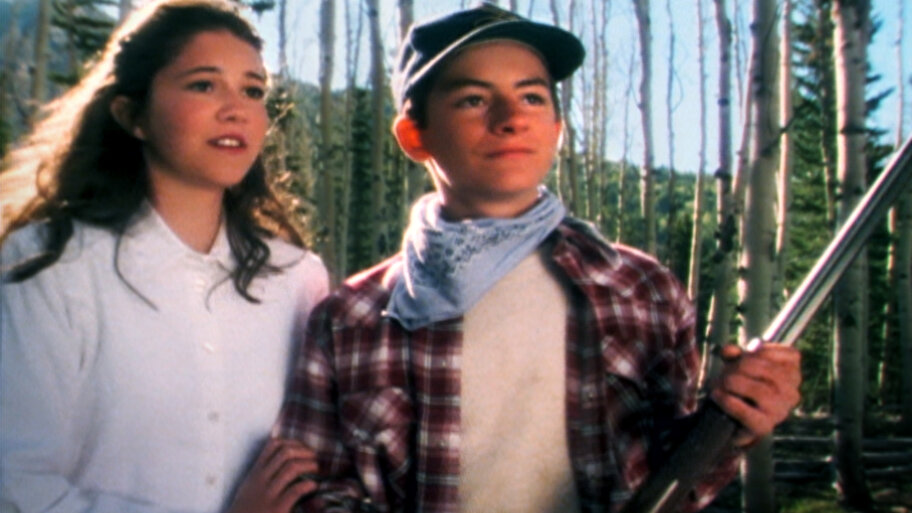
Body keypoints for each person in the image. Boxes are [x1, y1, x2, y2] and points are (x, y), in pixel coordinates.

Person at [276, 4, 802, 513]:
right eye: (473, 100)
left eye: (531, 97)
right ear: (415, 136)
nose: (511, 120)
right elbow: (319, 491)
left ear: (556, 128)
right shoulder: (349, 318)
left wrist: (736, 419)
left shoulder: (642, 289)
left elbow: (679, 482)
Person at [0, 1, 328, 511]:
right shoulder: (50, 265)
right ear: (133, 115)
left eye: (253, 90)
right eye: (204, 85)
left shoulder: (298, 279)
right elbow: (16, 484)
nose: (236, 109)